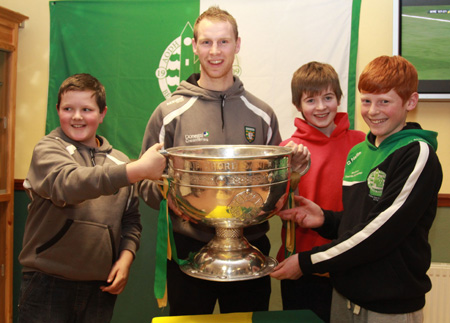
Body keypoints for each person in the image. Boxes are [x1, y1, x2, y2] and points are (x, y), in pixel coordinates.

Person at [138, 6, 309, 316]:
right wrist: (169, 199)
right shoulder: (168, 114)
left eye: (223, 42)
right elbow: (144, 180)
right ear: (194, 47)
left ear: (237, 45)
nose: (215, 52)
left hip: (251, 247)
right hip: (188, 249)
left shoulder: (262, 114)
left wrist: (295, 170)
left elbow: (275, 185)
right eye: (206, 42)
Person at [270, 55, 443, 323]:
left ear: (410, 102)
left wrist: (307, 262)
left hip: (387, 303)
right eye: (367, 101)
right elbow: (357, 220)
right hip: (346, 294)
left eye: (384, 101)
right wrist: (324, 219)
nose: (374, 111)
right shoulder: (360, 152)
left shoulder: (416, 152)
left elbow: (379, 232)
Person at [17, 73, 166, 322]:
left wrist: (126, 258)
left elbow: (131, 221)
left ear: (102, 114)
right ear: (58, 110)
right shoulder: (47, 149)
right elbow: (70, 183)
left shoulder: (119, 161)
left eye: (86, 109)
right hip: (46, 284)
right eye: (68, 108)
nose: (77, 116)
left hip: (100, 287)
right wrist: (138, 170)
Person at [276, 62, 365, 322]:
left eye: (328, 97)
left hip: (349, 266)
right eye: (311, 100)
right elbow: (277, 208)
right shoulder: (287, 150)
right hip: (302, 270)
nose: (321, 107)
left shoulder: (361, 143)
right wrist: (293, 174)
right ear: (297, 105)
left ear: (338, 98)